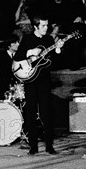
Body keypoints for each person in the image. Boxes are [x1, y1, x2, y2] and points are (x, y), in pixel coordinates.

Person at [14, 15, 65, 155]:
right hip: (30, 80)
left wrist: (58, 49)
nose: (46, 28)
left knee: (47, 113)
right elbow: (17, 57)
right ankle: (33, 147)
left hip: (44, 80)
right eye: (43, 26)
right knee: (30, 113)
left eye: (47, 25)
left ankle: (49, 146)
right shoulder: (28, 39)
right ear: (36, 26)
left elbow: (55, 61)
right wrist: (29, 52)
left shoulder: (49, 40)